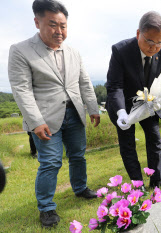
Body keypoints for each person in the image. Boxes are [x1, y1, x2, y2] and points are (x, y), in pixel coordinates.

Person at [8, 0, 100, 228]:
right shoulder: (21, 50)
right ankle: (47, 208)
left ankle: (80, 188)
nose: (59, 31)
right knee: (50, 162)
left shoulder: (74, 52)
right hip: (45, 118)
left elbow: (84, 82)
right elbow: (21, 89)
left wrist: (94, 108)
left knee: (78, 155)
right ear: (37, 22)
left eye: (63, 26)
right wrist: (35, 121)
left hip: (75, 113)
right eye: (53, 25)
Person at [106, 11, 161, 189]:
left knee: (155, 138)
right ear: (139, 34)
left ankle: (156, 179)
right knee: (128, 144)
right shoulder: (121, 51)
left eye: (159, 42)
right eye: (149, 41)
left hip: (149, 103)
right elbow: (115, 86)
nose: (154, 47)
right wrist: (121, 111)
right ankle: (138, 183)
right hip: (124, 103)